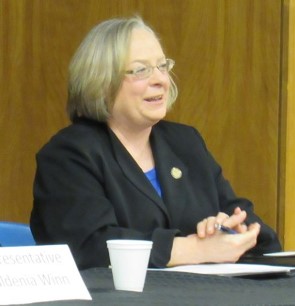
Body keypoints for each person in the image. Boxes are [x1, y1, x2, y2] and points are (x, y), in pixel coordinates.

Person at [30, 16, 281, 270]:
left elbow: (251, 224)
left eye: (163, 66)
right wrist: (195, 248)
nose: (160, 80)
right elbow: (89, 247)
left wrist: (233, 230)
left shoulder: (185, 142)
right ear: (103, 82)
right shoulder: (69, 155)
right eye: (141, 70)